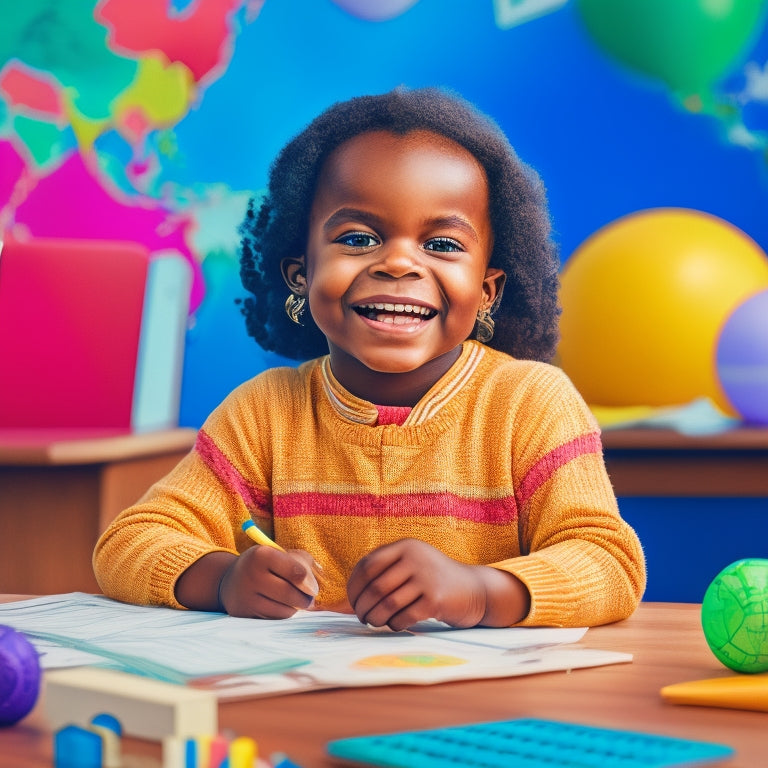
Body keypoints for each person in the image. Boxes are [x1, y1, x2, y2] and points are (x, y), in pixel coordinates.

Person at [93, 87, 646, 631]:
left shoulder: (531, 403)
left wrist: (478, 591)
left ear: (487, 291)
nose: (400, 263)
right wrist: (222, 579)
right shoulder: (264, 415)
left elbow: (610, 562)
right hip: (309, 705)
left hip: (483, 707)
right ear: (301, 275)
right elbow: (129, 542)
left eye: (443, 245)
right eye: (358, 238)